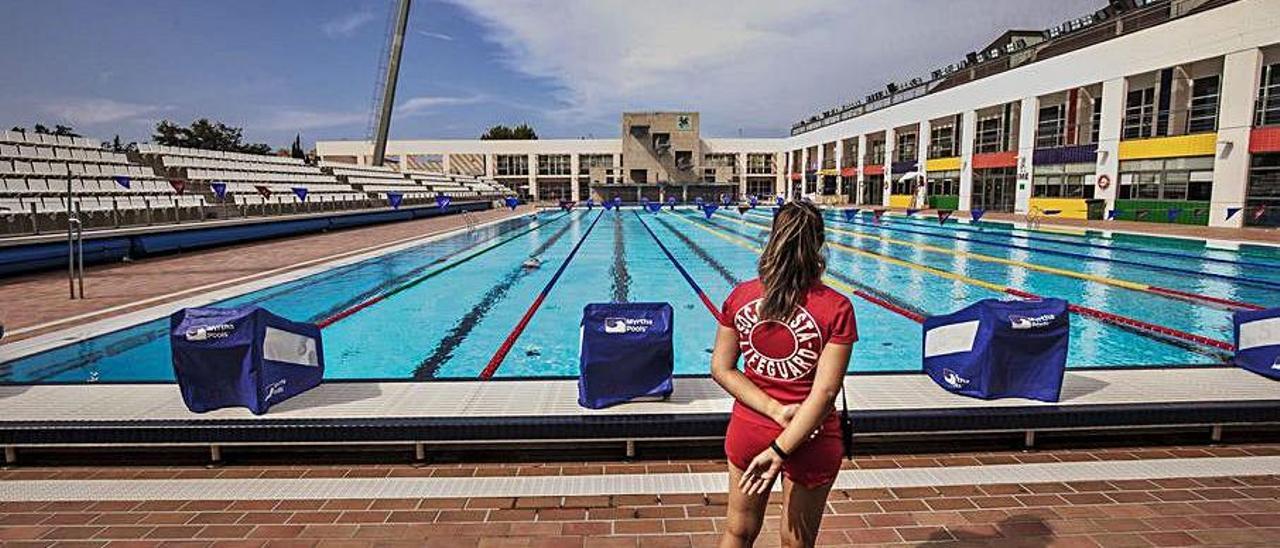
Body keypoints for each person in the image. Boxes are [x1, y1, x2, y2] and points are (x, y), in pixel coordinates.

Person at [712, 200, 856, 548]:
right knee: (796, 542)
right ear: (819, 244)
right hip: (810, 436)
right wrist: (781, 448)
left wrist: (774, 412)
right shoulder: (837, 308)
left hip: (750, 427)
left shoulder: (741, 296)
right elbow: (824, 395)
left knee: (737, 531)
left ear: (773, 238)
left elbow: (721, 368)